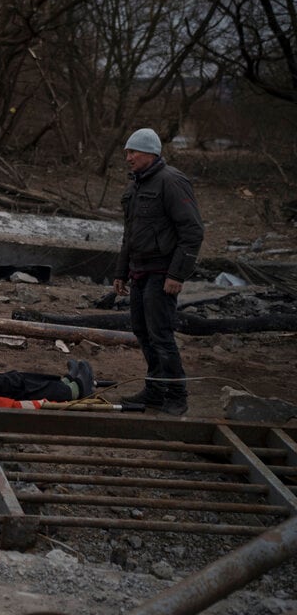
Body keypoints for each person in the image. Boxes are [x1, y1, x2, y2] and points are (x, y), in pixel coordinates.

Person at [114, 128, 204, 416]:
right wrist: (121, 272)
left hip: (162, 273)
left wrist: (177, 275)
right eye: (127, 152)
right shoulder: (134, 187)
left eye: (133, 152)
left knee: (161, 335)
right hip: (139, 271)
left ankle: (177, 395)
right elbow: (129, 235)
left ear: (150, 153)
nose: (128, 158)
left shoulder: (171, 182)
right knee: (142, 332)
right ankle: (154, 391)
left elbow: (192, 231)